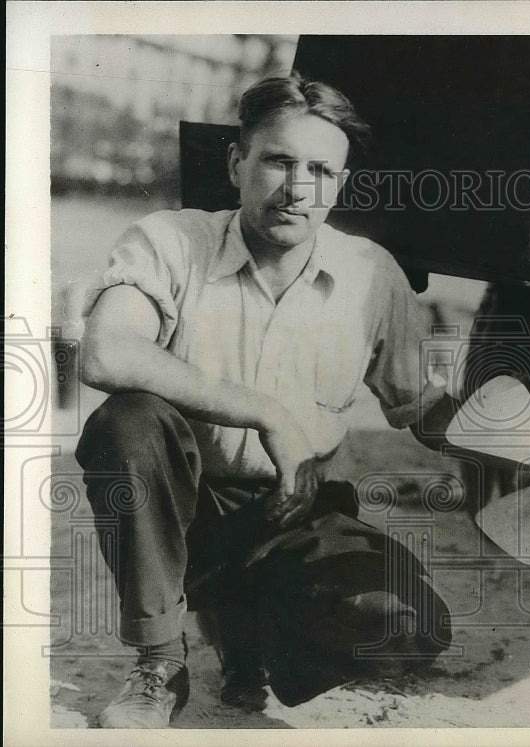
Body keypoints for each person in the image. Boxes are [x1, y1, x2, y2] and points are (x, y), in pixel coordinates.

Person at [76, 71, 458, 728]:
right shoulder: (171, 241)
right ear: (236, 162)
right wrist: (266, 411)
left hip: (296, 513)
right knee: (127, 422)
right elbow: (105, 353)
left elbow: (424, 406)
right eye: (278, 160)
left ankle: (245, 624)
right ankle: (159, 662)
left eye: (321, 169)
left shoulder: (370, 274)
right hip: (182, 514)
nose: (298, 188)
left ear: (340, 184)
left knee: (408, 627)